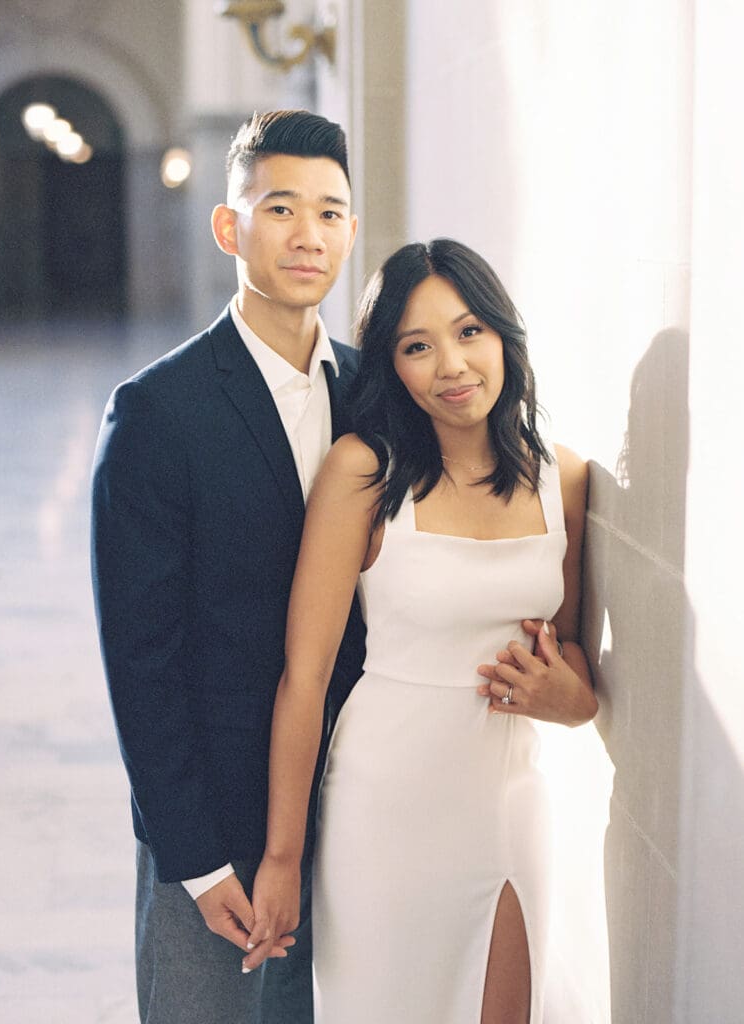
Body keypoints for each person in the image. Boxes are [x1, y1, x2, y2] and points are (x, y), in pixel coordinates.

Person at [243, 239, 599, 1023]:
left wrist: (570, 696)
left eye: (469, 331)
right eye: (417, 345)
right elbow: (304, 677)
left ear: (504, 335)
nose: (451, 365)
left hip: (508, 802)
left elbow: (571, 665)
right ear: (391, 365)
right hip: (384, 806)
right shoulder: (362, 472)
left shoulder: (561, 479)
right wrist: (281, 856)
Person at [90, 109, 365, 1024]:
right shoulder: (157, 412)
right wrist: (198, 859)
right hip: (217, 829)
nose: (307, 234)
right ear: (229, 225)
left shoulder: (373, 394)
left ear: (351, 233)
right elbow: (142, 660)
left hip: (356, 811)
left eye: (330, 213)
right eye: (280, 208)